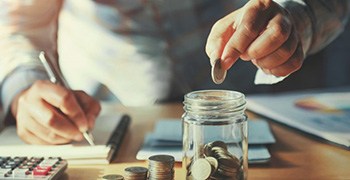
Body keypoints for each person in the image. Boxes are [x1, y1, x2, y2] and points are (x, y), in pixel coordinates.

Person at [0, 0, 349, 145]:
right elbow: (19, 22)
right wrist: (24, 88)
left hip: (259, 112)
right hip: (105, 121)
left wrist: (295, 18)